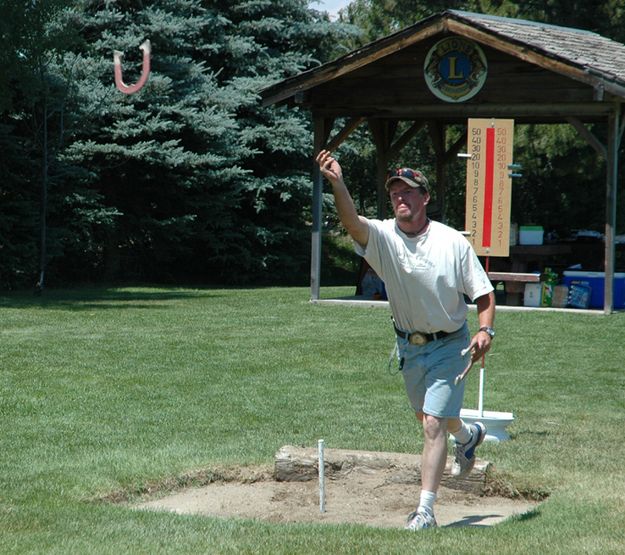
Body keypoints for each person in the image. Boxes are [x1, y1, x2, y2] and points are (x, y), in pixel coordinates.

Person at [315, 150, 496, 531]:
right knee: (430, 417)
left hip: (450, 344)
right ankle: (468, 436)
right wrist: (338, 183)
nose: (401, 199)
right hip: (409, 347)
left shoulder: (451, 243)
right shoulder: (383, 237)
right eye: (395, 193)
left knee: (432, 423)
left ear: (424, 198)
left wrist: (485, 330)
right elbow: (352, 223)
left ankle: (426, 511)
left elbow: (484, 294)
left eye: (409, 193)